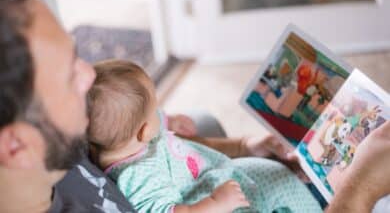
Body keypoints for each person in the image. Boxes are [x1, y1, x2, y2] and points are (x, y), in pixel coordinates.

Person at [0, 0, 389, 212]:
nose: (89, 76)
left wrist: (239, 146)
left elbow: (152, 146)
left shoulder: (64, 139)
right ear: (14, 146)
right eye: (69, 74)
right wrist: (361, 189)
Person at [86, 59, 323, 212]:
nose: (161, 112)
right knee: (289, 190)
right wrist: (216, 203)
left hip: (222, 176)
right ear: (144, 131)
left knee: (284, 171)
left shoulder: (123, 140)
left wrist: (169, 120)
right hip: (221, 202)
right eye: (156, 109)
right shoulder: (138, 176)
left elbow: (146, 122)